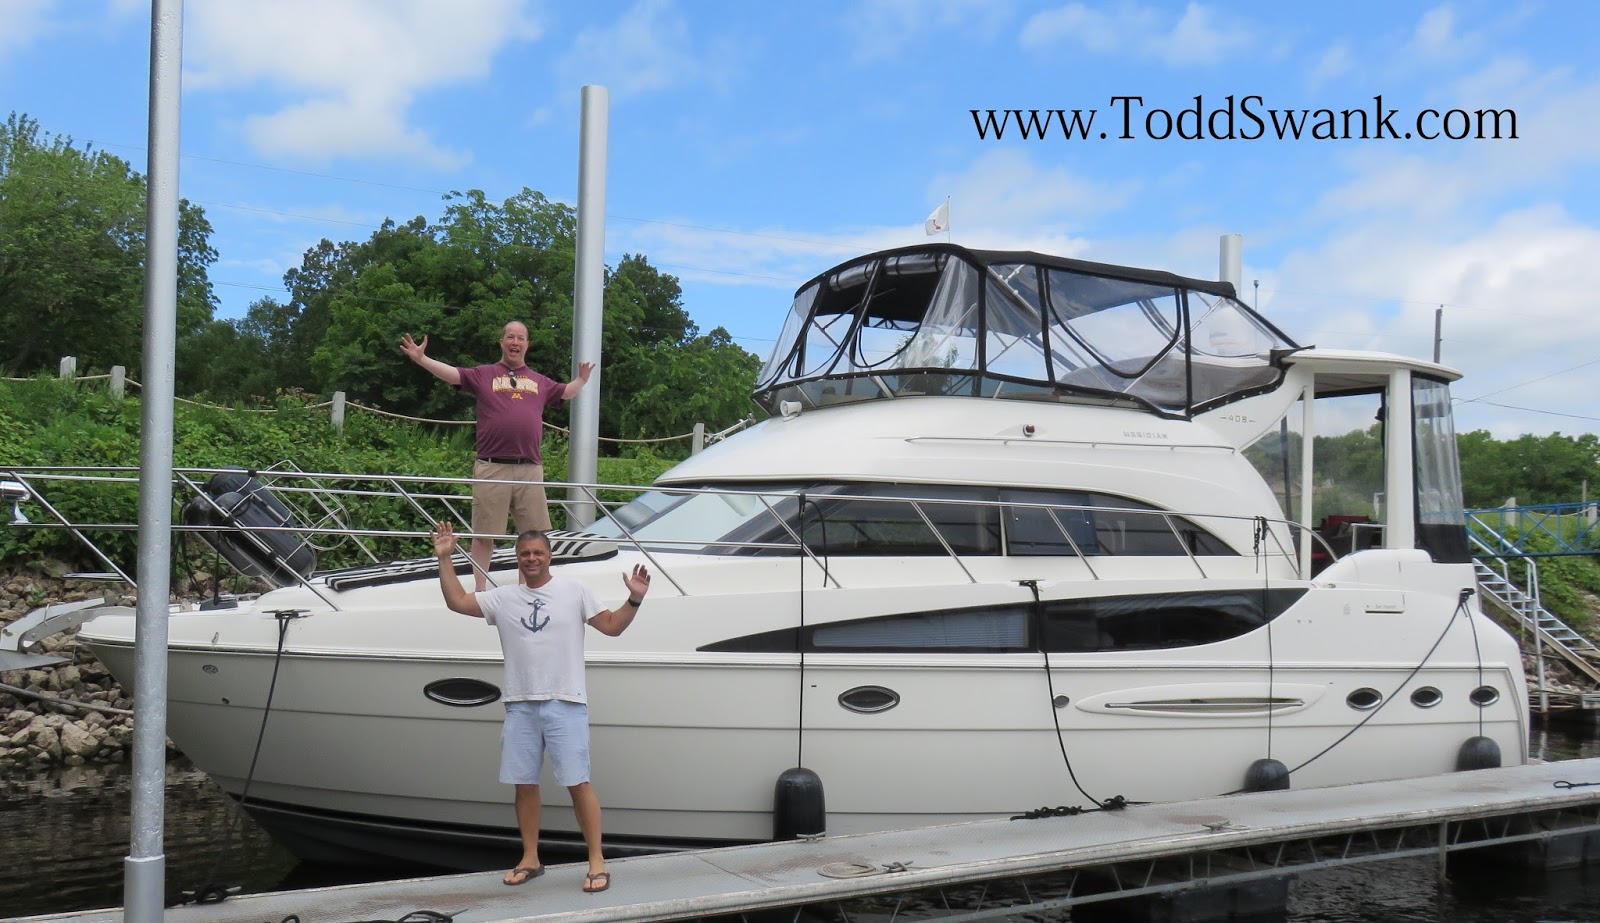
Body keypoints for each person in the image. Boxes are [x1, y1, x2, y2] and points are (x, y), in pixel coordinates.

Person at [430, 519, 649, 893]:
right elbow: (457, 601)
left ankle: (596, 860)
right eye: (525, 554)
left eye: (538, 553)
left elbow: (612, 626)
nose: (531, 559)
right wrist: (445, 558)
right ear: (517, 559)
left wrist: (635, 599)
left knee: (577, 782)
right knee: (524, 784)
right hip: (520, 704)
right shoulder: (502, 598)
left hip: (566, 702)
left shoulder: (574, 590)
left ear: (549, 557)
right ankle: (530, 857)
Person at [401, 321, 595, 590]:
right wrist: (422, 359)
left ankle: (527, 590)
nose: (515, 342)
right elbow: (453, 374)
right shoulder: (484, 374)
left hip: (530, 469)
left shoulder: (539, 381)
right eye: (510, 337)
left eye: (521, 338)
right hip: (492, 468)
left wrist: (582, 380)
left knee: (533, 537)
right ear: (502, 342)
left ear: (527, 345)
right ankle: (480, 591)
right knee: (483, 536)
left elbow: (565, 392)